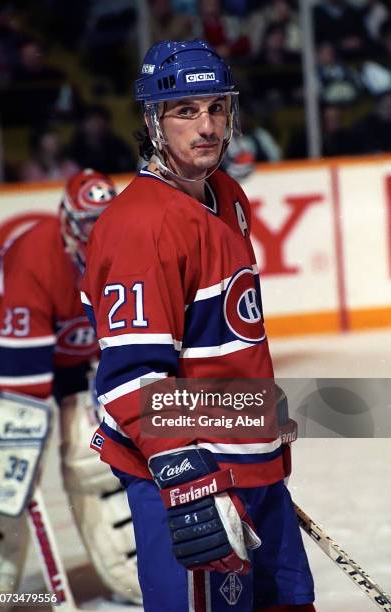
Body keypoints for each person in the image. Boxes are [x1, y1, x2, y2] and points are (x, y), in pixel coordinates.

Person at [81, 40, 316, 611]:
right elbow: (132, 377)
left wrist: (257, 414)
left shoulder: (227, 196)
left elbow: (229, 335)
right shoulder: (141, 226)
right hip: (188, 477)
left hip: (249, 465)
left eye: (216, 108)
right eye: (186, 110)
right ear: (152, 120)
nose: (206, 125)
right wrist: (186, 476)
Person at [0, 169, 141, 606]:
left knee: (93, 461)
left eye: (105, 219)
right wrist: (22, 429)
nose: (99, 233)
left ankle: (130, 570)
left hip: (78, 363)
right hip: (12, 352)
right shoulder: (36, 255)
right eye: (90, 223)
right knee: (10, 467)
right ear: (68, 220)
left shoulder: (131, 252)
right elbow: (22, 380)